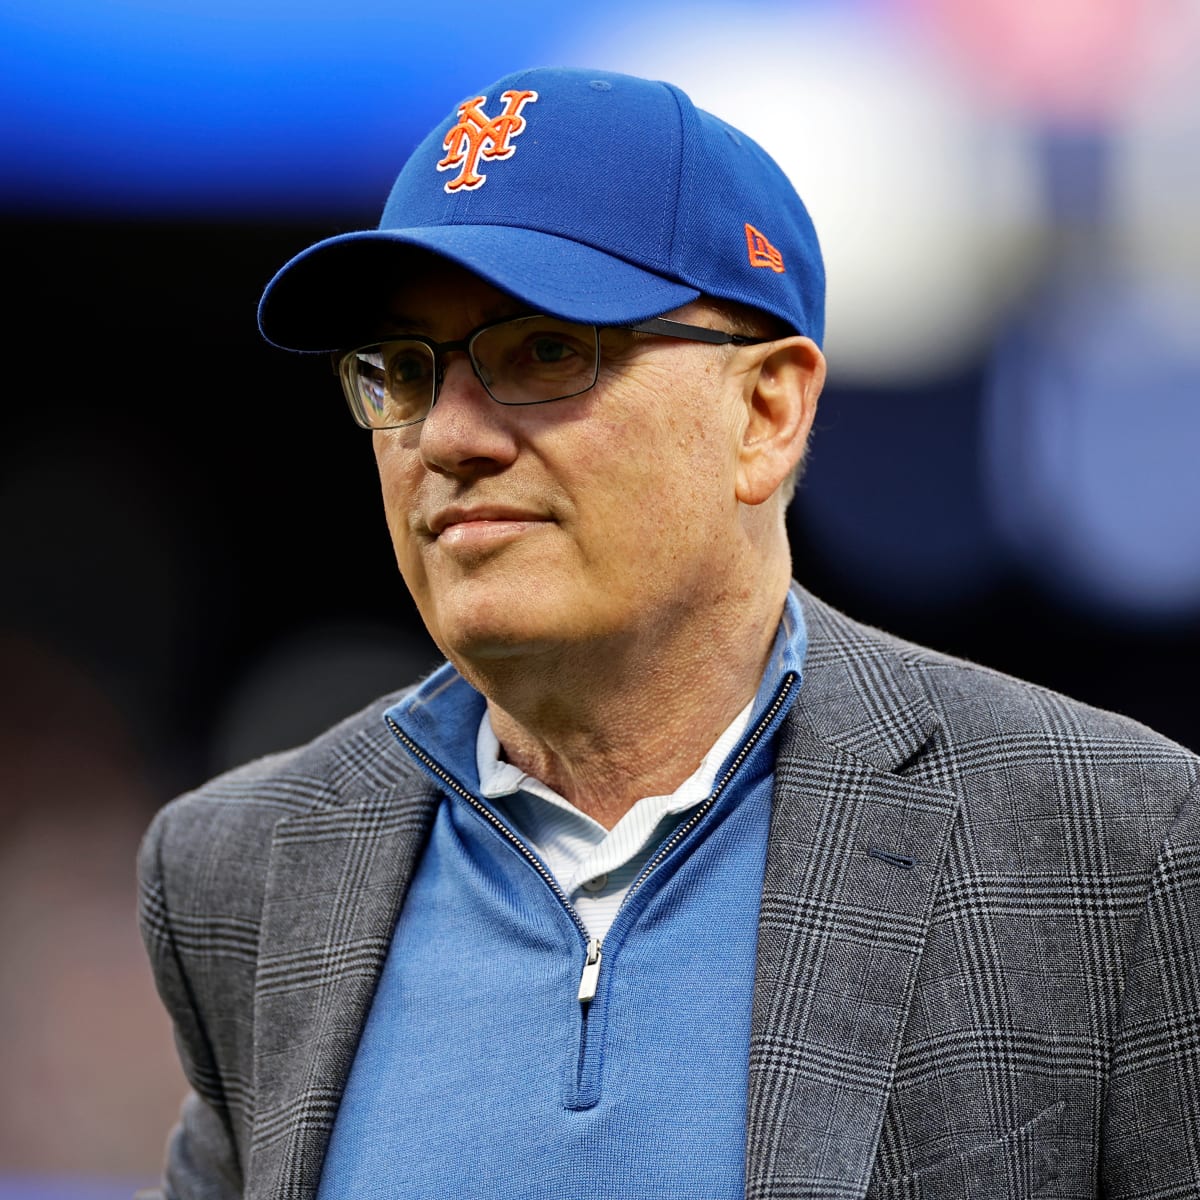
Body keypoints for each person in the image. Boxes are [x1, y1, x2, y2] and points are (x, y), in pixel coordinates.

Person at [137, 65, 1200, 1200]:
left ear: (768, 411)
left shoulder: (1116, 846)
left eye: (545, 349)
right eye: (402, 369)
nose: (446, 435)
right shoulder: (241, 868)